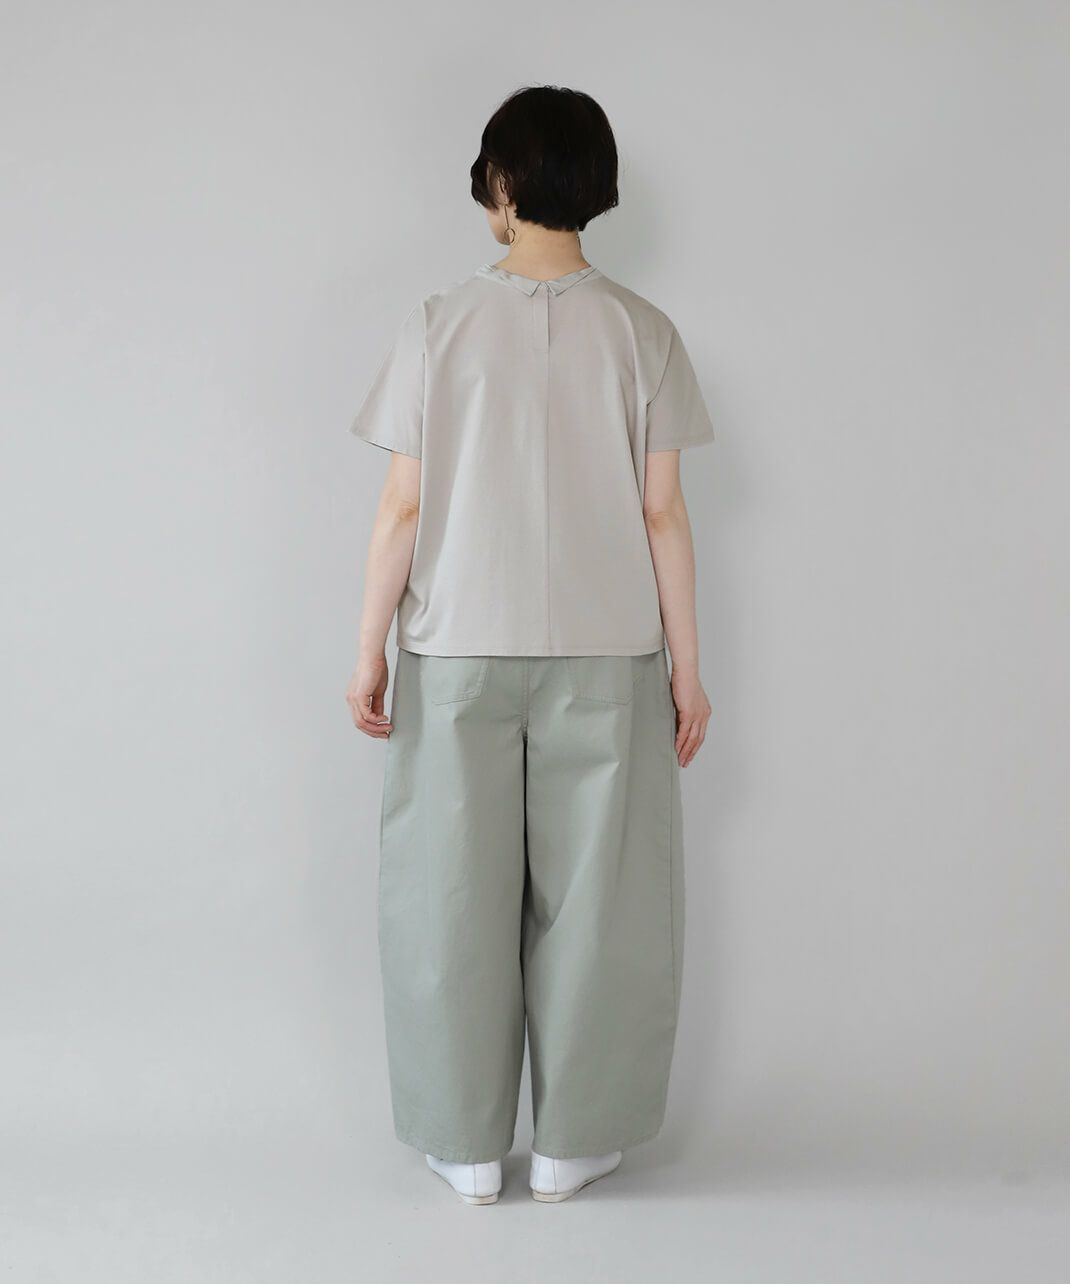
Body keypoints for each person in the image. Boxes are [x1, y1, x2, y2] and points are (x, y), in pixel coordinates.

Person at [345, 85, 714, 1206]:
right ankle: (571, 1145)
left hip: (457, 647)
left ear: (501, 184)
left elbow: (402, 508)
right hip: (609, 653)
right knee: (600, 903)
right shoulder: (644, 332)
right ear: (594, 183)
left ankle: (464, 1145)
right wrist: (688, 671)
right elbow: (662, 515)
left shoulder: (435, 324)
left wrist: (368, 648)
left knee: (446, 894)